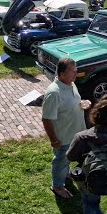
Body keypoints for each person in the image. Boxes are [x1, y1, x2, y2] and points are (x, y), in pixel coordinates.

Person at [41, 58, 91, 199]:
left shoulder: (71, 84)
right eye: (73, 72)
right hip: (63, 138)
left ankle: (65, 173)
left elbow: (69, 103)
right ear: (62, 74)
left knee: (66, 160)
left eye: (76, 71)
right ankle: (57, 186)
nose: (76, 74)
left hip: (75, 134)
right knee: (60, 161)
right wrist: (54, 140)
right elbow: (46, 119)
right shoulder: (54, 93)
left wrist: (81, 103)